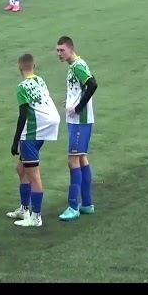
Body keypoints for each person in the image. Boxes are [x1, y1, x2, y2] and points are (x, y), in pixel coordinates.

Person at [7, 54, 60, 227]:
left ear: (19, 66)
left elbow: (23, 114)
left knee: (33, 175)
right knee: (21, 168)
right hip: (47, 127)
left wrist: (16, 140)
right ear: (34, 65)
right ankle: (24, 209)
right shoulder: (40, 80)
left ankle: (36, 217)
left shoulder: (22, 87)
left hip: (32, 133)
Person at [56, 36, 98, 221]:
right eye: (57, 50)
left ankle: (73, 206)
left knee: (72, 159)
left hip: (80, 121)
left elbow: (92, 84)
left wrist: (78, 107)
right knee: (81, 158)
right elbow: (81, 88)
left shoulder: (78, 66)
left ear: (71, 49)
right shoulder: (74, 66)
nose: (59, 54)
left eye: (62, 50)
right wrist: (73, 101)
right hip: (78, 120)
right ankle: (87, 204)